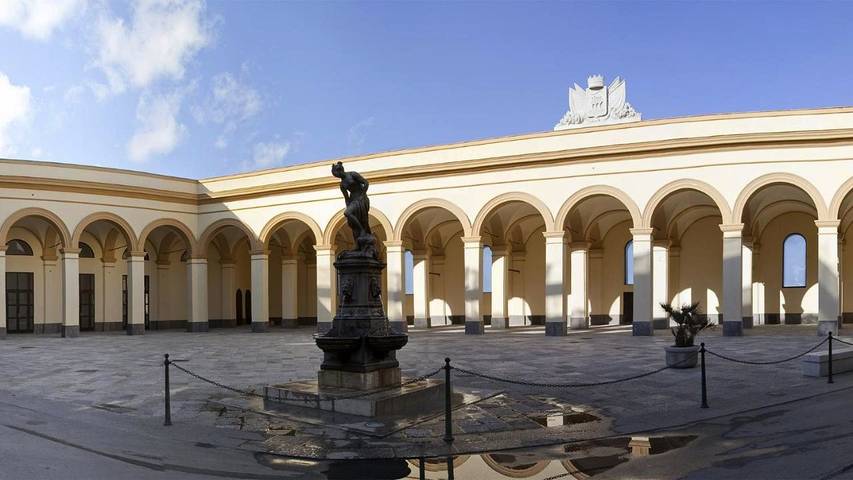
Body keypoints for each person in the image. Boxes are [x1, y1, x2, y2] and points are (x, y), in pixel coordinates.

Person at [331, 162, 376, 257]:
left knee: (361, 220)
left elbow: (365, 183)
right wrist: (348, 205)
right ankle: (358, 244)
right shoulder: (342, 184)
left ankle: (363, 232)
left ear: (340, 171)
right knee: (351, 221)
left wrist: (362, 195)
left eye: (336, 174)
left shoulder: (352, 174)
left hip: (361, 199)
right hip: (353, 200)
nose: (337, 176)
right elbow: (346, 197)